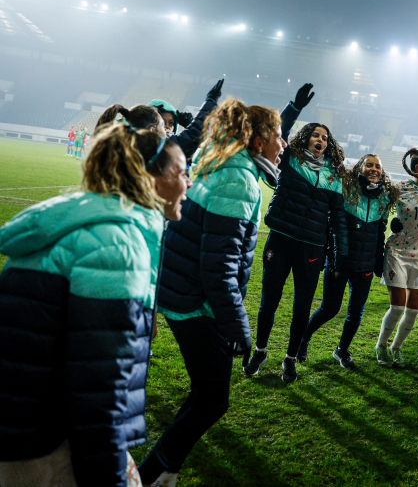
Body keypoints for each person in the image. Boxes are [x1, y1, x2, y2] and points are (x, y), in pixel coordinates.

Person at [0, 121, 187, 487]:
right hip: (49, 439)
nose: (189, 182)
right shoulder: (117, 242)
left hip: (22, 425)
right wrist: (112, 472)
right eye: (182, 172)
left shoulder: (88, 216)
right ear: (148, 177)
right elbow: (98, 386)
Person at [139, 98, 285, 486]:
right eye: (278, 135)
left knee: (205, 393)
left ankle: (161, 472)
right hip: (198, 303)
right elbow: (219, 265)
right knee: (213, 399)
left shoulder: (218, 161)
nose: (283, 144)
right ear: (256, 140)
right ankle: (153, 474)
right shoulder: (237, 178)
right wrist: (238, 327)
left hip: (182, 291)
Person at [244, 85, 350, 384]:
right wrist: (294, 108)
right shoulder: (289, 157)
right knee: (269, 301)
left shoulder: (334, 174)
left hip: (312, 247)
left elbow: (339, 218)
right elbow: (277, 133)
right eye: (316, 135)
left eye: (325, 138)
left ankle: (290, 359)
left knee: (302, 306)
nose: (321, 140)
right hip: (281, 238)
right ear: (306, 138)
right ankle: (260, 351)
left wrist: (341, 253)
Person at [298, 155, 399, 369]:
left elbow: (380, 233)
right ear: (359, 169)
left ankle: (341, 350)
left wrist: (378, 261)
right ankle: (303, 339)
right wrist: (333, 257)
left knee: (356, 313)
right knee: (330, 308)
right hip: (339, 261)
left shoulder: (384, 197)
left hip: (365, 265)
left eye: (378, 166)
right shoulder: (346, 189)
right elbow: (332, 225)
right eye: (369, 165)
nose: (374, 169)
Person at [375, 148, 418, 366]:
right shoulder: (399, 188)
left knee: (413, 311)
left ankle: (397, 348)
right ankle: (381, 346)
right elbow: (380, 212)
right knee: (397, 307)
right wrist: (390, 223)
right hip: (397, 253)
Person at [96, 80, 224, 161]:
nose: (167, 128)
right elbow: (191, 138)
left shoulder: (122, 141)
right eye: (163, 124)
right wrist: (211, 101)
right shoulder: (153, 150)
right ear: (151, 130)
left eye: (172, 123)